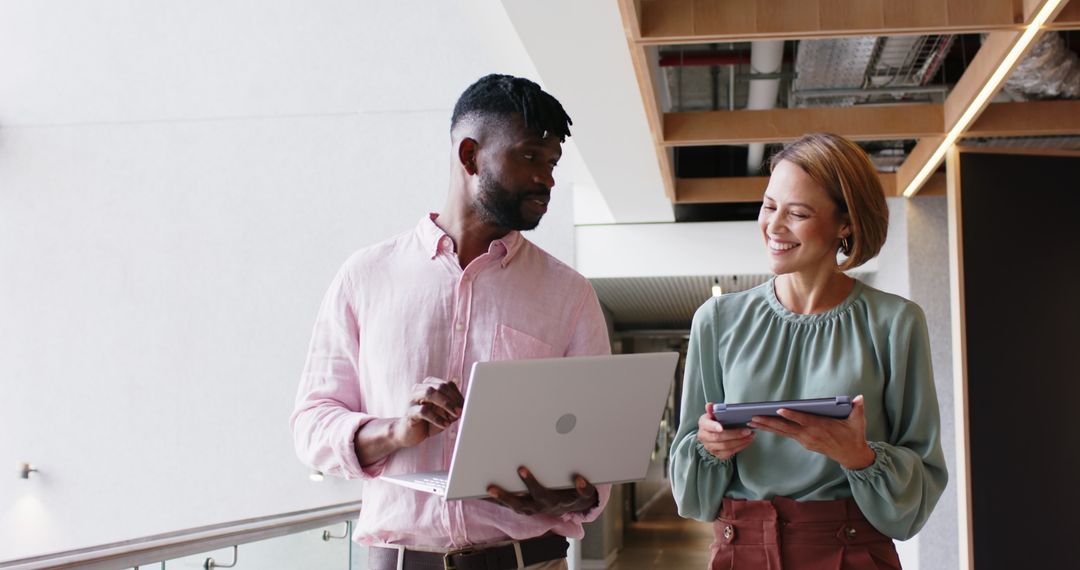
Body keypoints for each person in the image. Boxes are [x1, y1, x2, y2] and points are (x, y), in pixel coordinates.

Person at [291, 74, 611, 570]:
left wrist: (563, 498)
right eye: (529, 157)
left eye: (552, 164)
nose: (546, 179)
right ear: (469, 156)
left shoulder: (569, 293)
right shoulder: (365, 277)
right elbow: (312, 427)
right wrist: (395, 432)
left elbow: (598, 454)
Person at [670, 133, 948, 569]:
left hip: (851, 550)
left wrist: (859, 456)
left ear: (846, 224)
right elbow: (691, 493)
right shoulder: (717, 319)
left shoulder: (895, 323)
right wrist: (707, 444)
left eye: (797, 213)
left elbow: (918, 489)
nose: (774, 226)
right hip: (740, 548)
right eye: (769, 205)